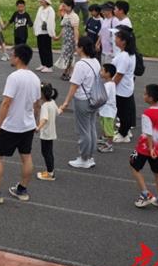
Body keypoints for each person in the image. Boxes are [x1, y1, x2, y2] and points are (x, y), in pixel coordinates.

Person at [0, 44, 42, 204]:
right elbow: (37, 104)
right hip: (28, 125)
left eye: (12, 55)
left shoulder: (14, 77)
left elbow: (6, 102)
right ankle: (22, 190)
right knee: (26, 156)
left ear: (18, 58)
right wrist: (35, 121)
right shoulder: (35, 78)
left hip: (12, 126)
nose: (10, 57)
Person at [130, 84, 158, 211]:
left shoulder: (147, 113)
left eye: (145, 94)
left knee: (134, 166)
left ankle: (145, 194)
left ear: (150, 98)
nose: (143, 95)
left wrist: (150, 148)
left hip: (146, 148)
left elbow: (148, 133)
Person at [61, 34, 101, 168]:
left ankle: (84, 158)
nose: (76, 48)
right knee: (91, 127)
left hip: (82, 100)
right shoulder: (96, 62)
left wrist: (66, 102)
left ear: (82, 48)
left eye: (77, 46)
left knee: (83, 130)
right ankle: (90, 156)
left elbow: (74, 85)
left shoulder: (80, 65)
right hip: (94, 99)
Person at [112, 27, 138, 144]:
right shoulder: (128, 54)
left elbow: (119, 74)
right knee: (124, 111)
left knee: (122, 113)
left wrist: (111, 86)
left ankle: (123, 134)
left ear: (123, 41)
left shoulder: (124, 56)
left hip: (121, 89)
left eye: (117, 37)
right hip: (126, 87)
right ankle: (124, 131)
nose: (115, 39)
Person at [35, 84, 59, 181]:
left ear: (43, 94)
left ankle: (50, 174)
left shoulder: (45, 105)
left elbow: (44, 119)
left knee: (46, 153)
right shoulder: (52, 102)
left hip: (46, 134)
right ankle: (50, 171)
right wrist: (63, 106)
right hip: (51, 132)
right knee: (49, 152)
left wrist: (38, 128)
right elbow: (58, 111)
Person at [56, 0, 80, 81]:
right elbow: (64, 28)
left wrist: (76, 42)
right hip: (65, 40)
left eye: (64, 6)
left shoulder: (74, 16)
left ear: (70, 6)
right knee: (66, 55)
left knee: (69, 56)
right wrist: (58, 37)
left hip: (71, 40)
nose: (63, 7)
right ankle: (66, 72)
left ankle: (68, 73)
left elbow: (76, 30)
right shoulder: (66, 15)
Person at [97, 63, 118, 153]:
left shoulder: (108, 85)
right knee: (104, 125)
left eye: (102, 70)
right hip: (105, 110)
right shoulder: (110, 84)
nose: (100, 72)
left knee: (109, 128)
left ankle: (109, 145)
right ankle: (105, 139)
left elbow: (103, 97)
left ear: (108, 73)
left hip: (108, 111)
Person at [33, 0, 56, 73]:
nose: (40, 1)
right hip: (40, 32)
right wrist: (35, 29)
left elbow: (51, 22)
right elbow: (37, 19)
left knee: (47, 49)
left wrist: (52, 33)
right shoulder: (40, 9)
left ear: (46, 1)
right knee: (41, 49)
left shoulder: (50, 10)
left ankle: (49, 66)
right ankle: (43, 63)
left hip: (46, 33)